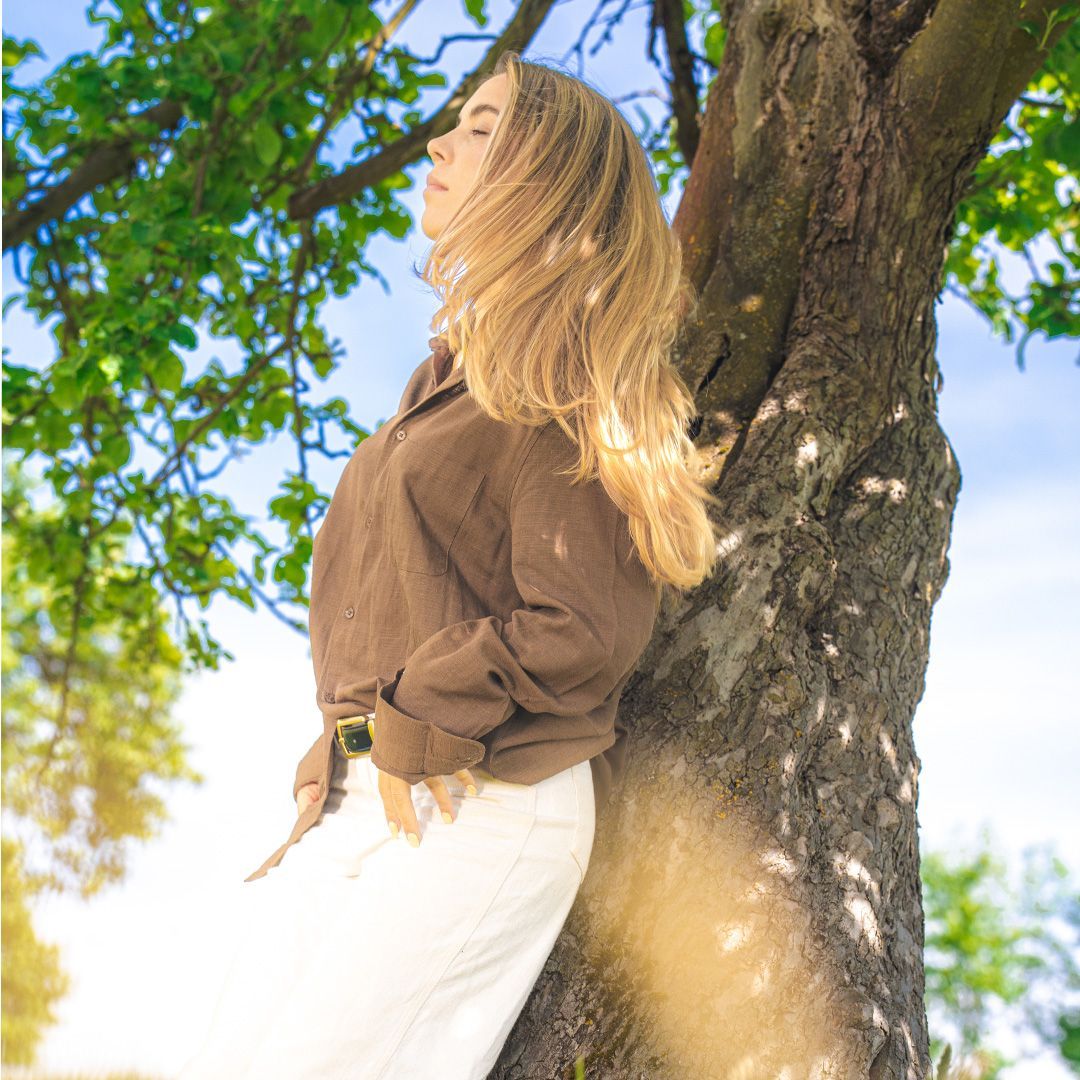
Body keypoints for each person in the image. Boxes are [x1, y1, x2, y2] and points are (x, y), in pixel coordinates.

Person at [177, 49, 721, 1080]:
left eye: (480, 128)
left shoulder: (564, 375)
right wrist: (347, 731)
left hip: (484, 797)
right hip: (366, 789)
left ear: (548, 177)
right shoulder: (442, 383)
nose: (438, 143)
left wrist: (417, 706)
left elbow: (585, 626)